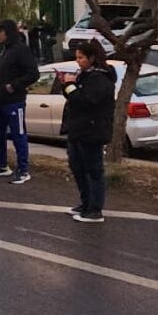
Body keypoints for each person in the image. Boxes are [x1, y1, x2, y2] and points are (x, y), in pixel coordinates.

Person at [59, 40, 115, 223]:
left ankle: (94, 209)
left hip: (91, 130)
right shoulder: (85, 75)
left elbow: (85, 101)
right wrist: (68, 85)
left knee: (93, 170)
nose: (78, 62)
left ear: (92, 58)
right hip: (78, 129)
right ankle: (85, 203)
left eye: (81, 58)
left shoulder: (99, 78)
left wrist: (70, 86)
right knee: (78, 168)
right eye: (77, 58)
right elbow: (75, 99)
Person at [0, 19, 40, 184]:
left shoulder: (21, 50)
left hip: (14, 101)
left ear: (7, 33)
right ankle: (1, 165)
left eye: (0, 32)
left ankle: (23, 169)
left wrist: (14, 85)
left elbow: (33, 74)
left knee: (18, 135)